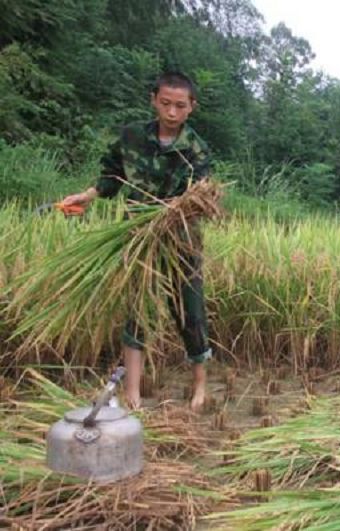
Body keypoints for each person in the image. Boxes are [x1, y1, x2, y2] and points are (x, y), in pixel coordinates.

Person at [61, 71, 212, 411]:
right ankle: (132, 392)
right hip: (138, 239)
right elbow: (111, 175)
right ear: (153, 100)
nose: (172, 112)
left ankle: (200, 385)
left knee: (190, 311)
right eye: (165, 104)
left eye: (179, 106)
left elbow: (201, 195)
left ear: (191, 108)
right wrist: (87, 196)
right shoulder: (131, 136)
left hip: (181, 240)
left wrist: (172, 213)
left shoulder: (197, 148)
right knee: (138, 310)